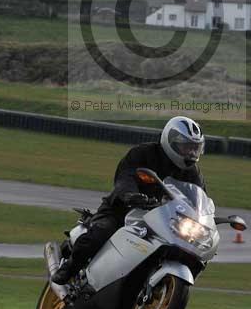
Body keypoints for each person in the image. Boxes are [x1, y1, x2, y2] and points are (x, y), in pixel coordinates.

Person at [52, 116, 207, 284]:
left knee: (193, 253)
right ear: (172, 142)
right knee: (100, 233)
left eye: (194, 148)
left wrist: (205, 219)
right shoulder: (143, 153)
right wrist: (130, 195)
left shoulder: (193, 173)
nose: (191, 153)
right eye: (186, 147)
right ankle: (69, 268)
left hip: (162, 223)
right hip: (123, 210)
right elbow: (125, 176)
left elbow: (199, 199)